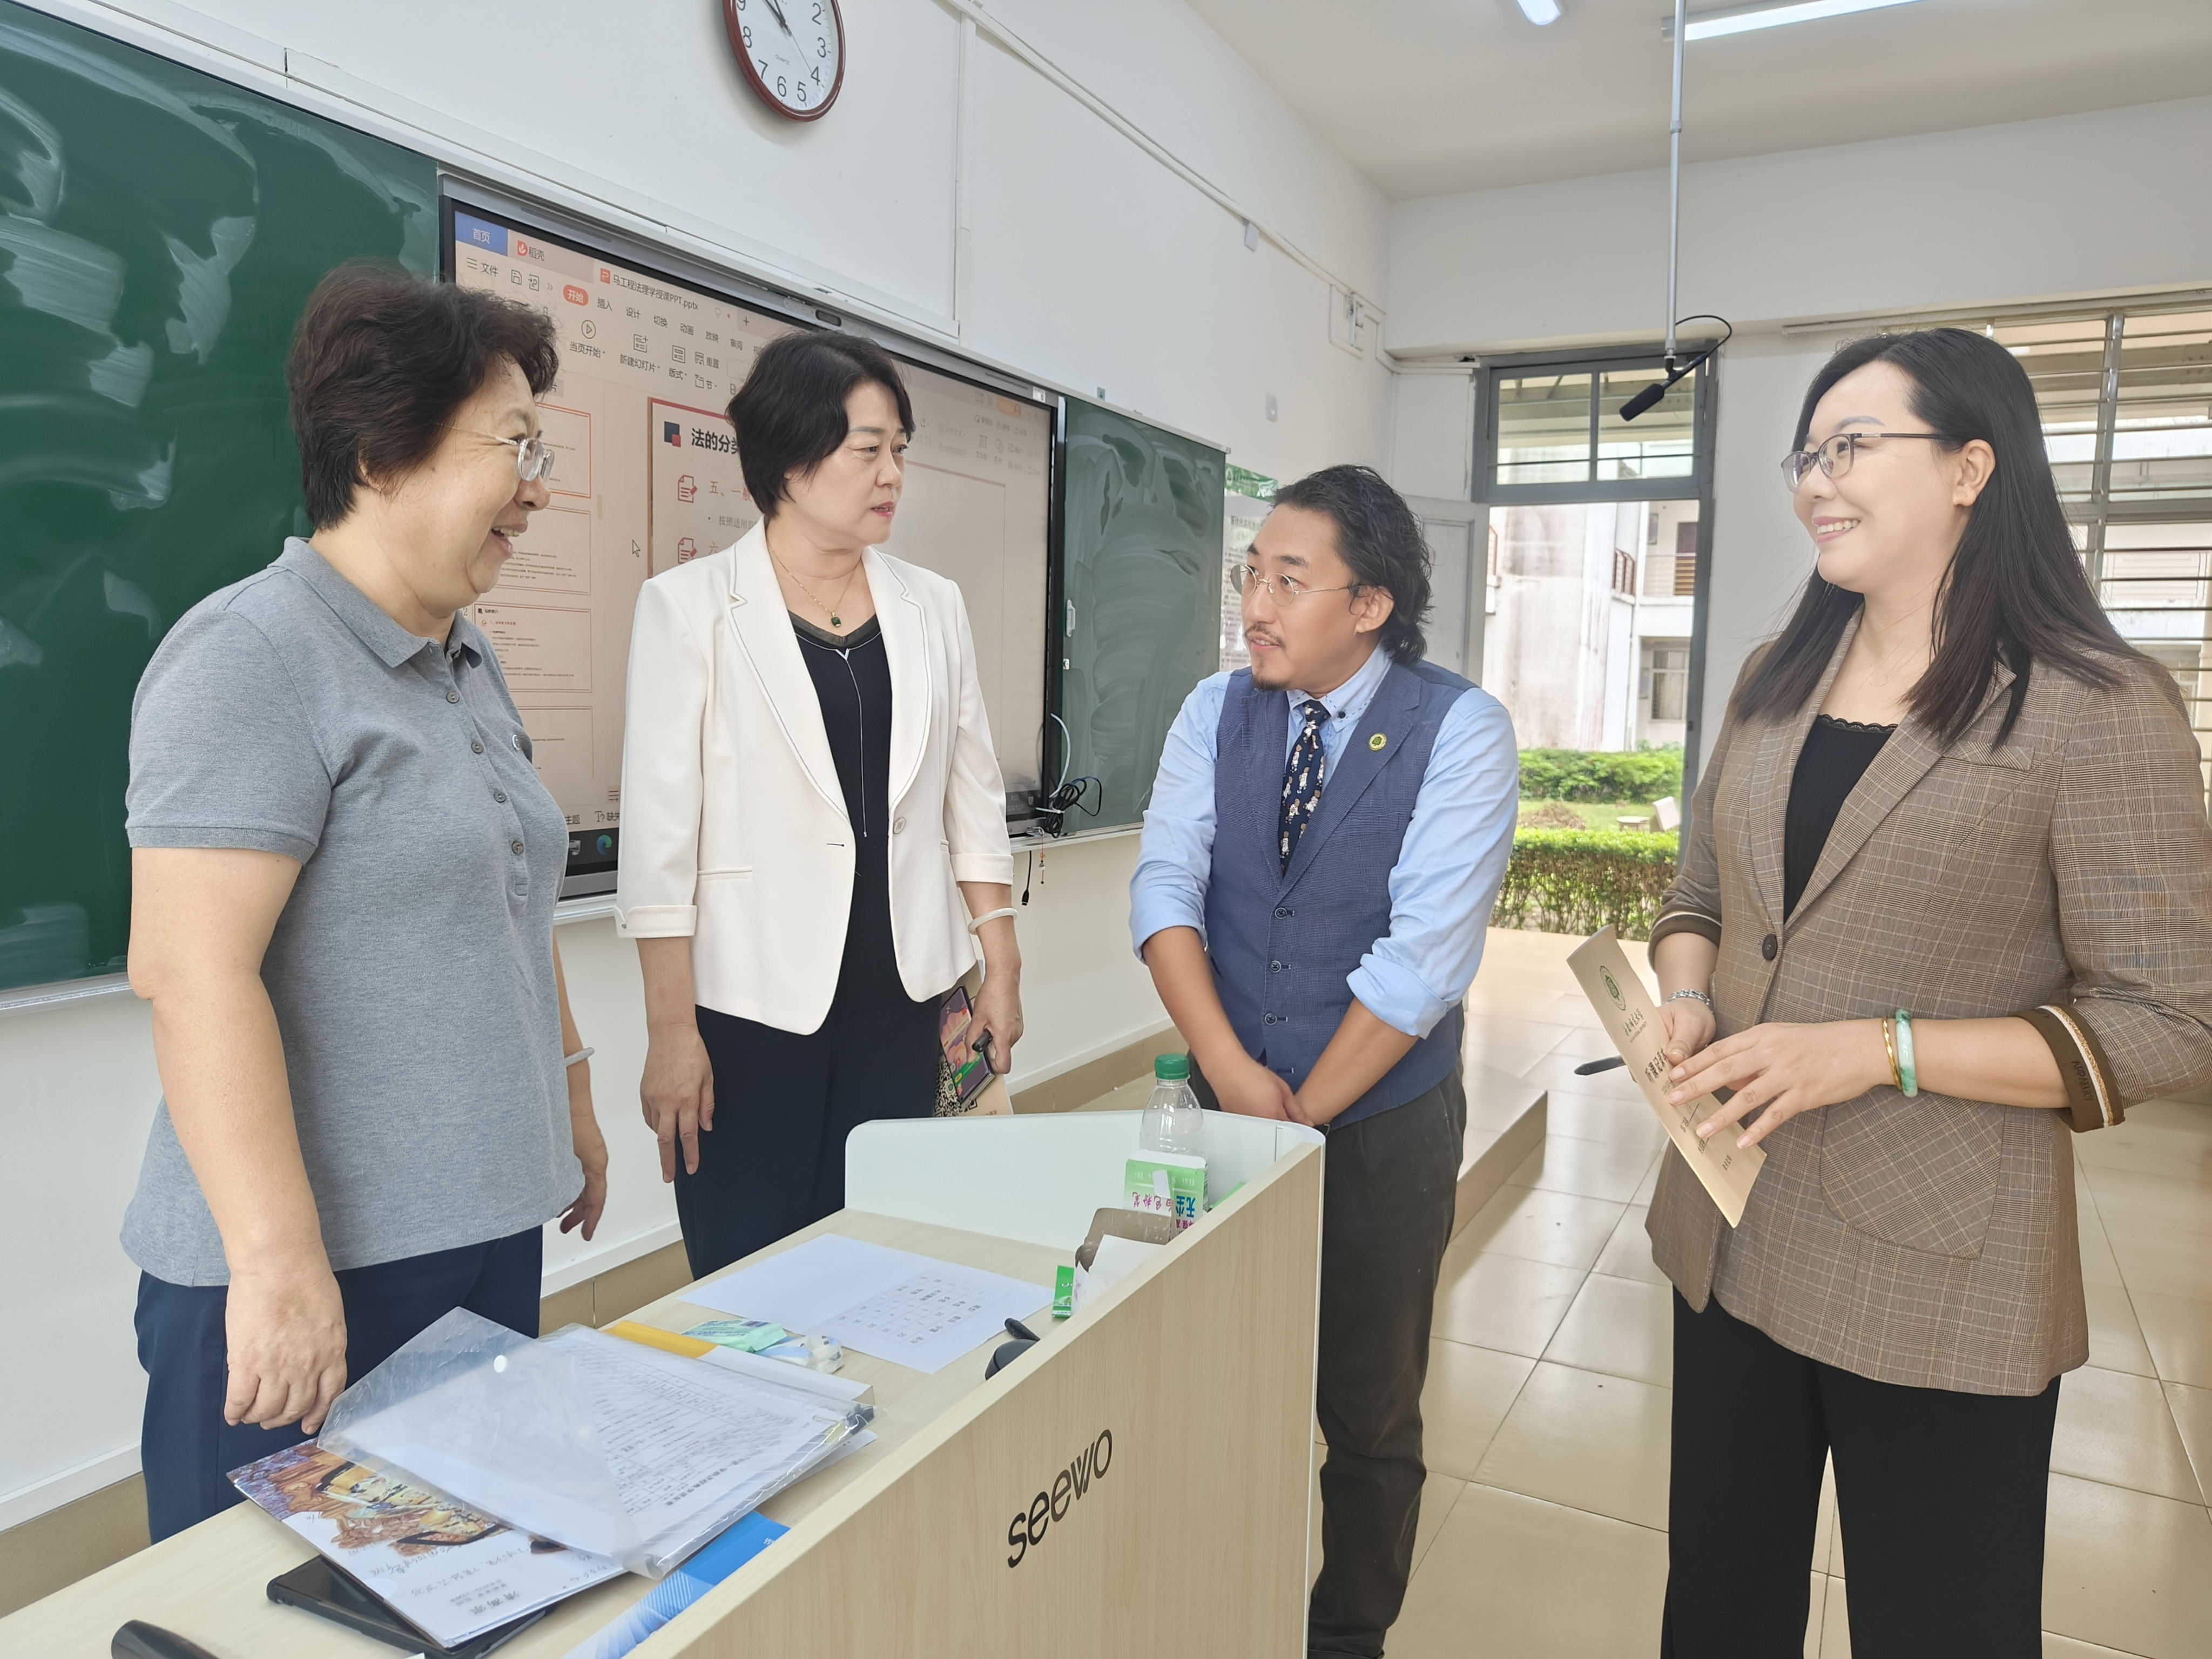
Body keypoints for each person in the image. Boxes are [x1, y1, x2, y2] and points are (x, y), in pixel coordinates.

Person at [1648, 328, 2212, 1657]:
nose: (1814, 481)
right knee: (1717, 1607)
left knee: (1936, 1623)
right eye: (1805, 455)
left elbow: (2170, 1018)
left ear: (1970, 467)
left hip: (1940, 1261)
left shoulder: (2094, 705)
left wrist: (1877, 1050)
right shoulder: (1771, 677)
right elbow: (1697, 900)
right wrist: (1682, 996)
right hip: (1729, 1217)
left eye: (1849, 447)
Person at [123, 265, 609, 1540]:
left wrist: (567, 1097)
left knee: (467, 1584)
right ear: (383, 454)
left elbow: (510, 888)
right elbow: (190, 974)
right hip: (317, 1272)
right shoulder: (251, 655)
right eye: (513, 447)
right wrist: (279, 1266)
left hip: (480, 1225)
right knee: (271, 1608)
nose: (539, 488)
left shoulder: (463, 652)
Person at [1129, 464, 1520, 1659]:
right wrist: (1228, 1072)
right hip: (1224, 1106)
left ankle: (1345, 1636)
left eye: (1287, 581)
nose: (1254, 605)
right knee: (1209, 1379)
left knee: (1368, 1408)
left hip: (1385, 1123)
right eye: (1250, 574)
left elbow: (1420, 964)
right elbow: (1165, 887)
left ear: (1371, 605)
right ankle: (1218, 1610)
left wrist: (1296, 1115)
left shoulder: (1461, 730)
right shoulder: (1214, 710)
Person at [618, 331, 1020, 1280]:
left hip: (905, 996)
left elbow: (972, 795)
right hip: (750, 1009)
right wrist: (671, 1032)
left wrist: (1000, 962)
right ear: (790, 458)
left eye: (899, 450)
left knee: (886, 1259)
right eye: (868, 449)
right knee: (749, 1275)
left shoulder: (934, 605)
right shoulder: (689, 608)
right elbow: (660, 842)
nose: (893, 474)